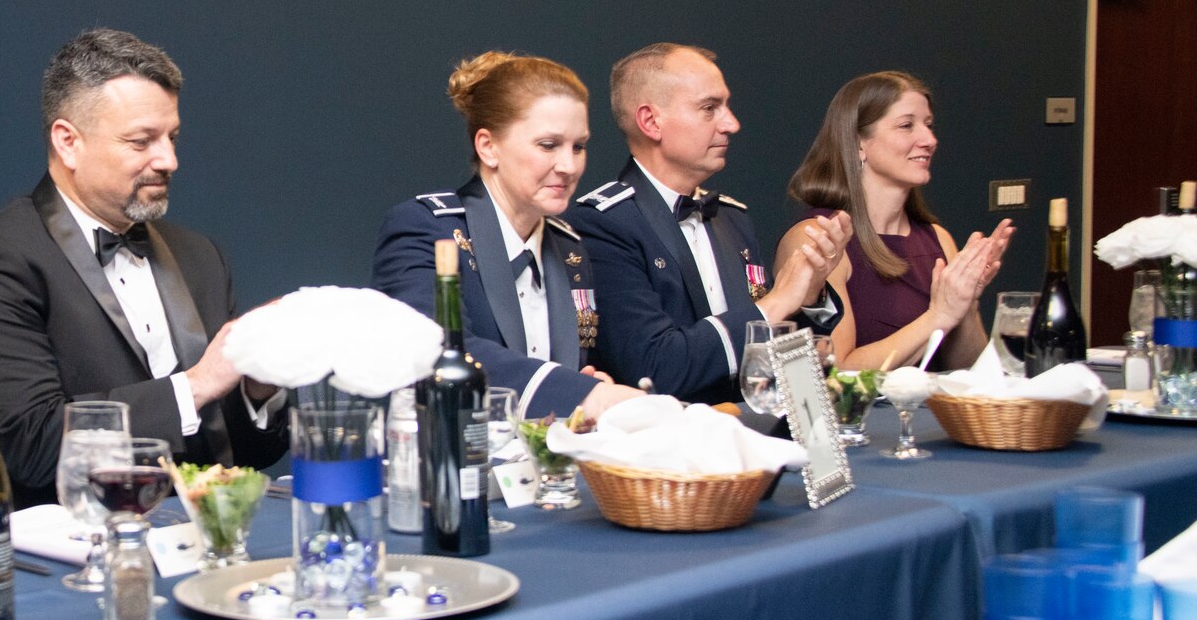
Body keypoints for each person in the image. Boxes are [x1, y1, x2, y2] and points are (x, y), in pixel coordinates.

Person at [0, 29, 289, 501]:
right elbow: (28, 444)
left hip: (202, 537)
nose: (170, 160)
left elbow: (242, 458)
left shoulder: (200, 255)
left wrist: (258, 389)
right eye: (142, 141)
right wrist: (196, 385)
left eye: (172, 137)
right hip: (69, 551)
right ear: (68, 143)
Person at [567, 43, 853, 406]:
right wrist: (776, 303)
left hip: (755, 441)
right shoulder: (600, 224)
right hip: (666, 450)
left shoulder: (733, 220)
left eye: (726, 106)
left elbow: (775, 368)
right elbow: (656, 370)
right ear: (651, 122)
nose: (732, 123)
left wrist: (809, 296)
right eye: (709, 108)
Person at [371, 52, 645, 422]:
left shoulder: (570, 247)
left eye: (578, 147)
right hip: (453, 466)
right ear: (488, 147)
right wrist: (584, 394)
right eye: (548, 145)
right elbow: (435, 349)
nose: (568, 166)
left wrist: (586, 384)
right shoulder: (426, 228)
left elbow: (572, 373)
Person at [780, 72, 1012, 372]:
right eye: (907, 126)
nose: (929, 140)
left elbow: (967, 373)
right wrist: (938, 316)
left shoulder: (938, 239)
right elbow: (839, 374)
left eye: (928, 125)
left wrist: (966, 306)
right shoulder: (819, 238)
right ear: (858, 143)